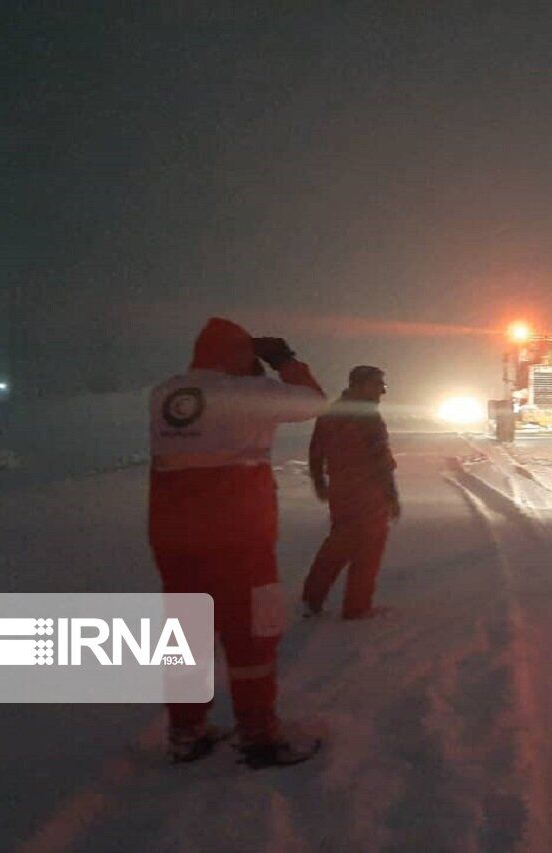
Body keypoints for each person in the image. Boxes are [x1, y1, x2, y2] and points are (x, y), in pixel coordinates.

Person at [149, 317, 326, 768]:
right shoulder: (248, 393)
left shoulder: (165, 393)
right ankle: (259, 735)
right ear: (237, 356)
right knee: (252, 635)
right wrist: (285, 362)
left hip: (173, 538)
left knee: (187, 632)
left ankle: (186, 733)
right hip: (238, 537)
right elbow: (313, 404)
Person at [302, 365, 400, 620]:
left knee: (339, 543)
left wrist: (319, 481)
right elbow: (379, 461)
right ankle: (357, 606)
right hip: (368, 492)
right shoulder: (368, 416)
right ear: (362, 385)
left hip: (341, 490)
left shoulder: (331, 413)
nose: (382, 391)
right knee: (369, 549)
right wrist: (391, 496)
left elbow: (315, 452)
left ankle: (312, 597)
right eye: (378, 385)